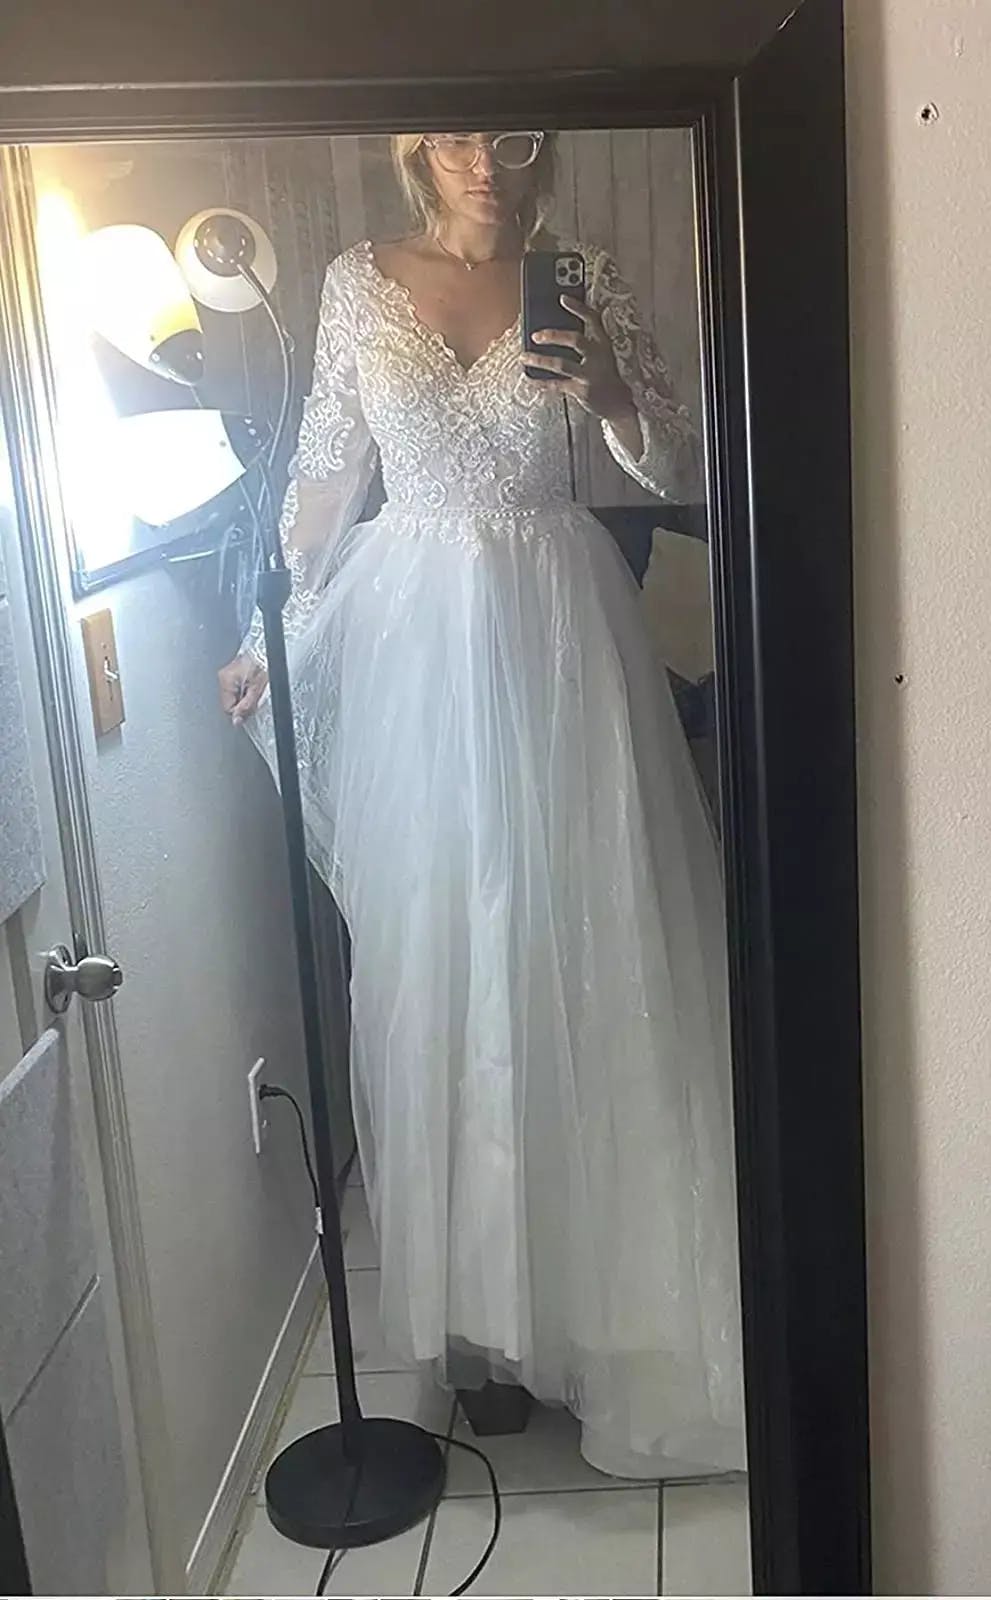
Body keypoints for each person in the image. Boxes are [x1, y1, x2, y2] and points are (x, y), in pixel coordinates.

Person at [219, 130, 744, 1478]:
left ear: (540, 146)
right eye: (455, 135)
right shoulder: (357, 280)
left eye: (511, 136)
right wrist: (268, 626)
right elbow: (329, 474)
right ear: (416, 146)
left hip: (561, 634)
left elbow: (670, 455)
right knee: (445, 956)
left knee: (586, 943)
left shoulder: (581, 273)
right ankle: (485, 1330)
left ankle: (611, 1315)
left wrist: (610, 385)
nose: (486, 161)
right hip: (416, 647)